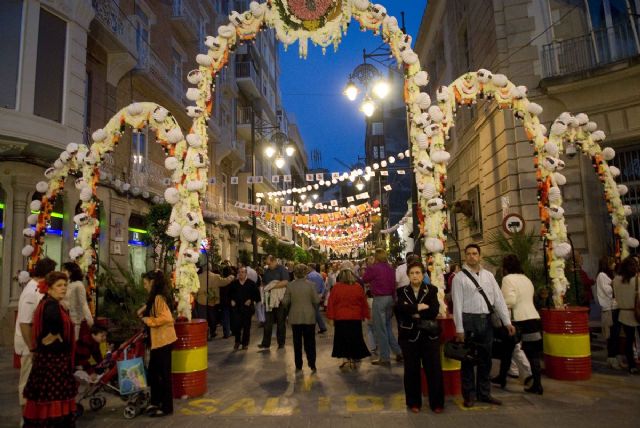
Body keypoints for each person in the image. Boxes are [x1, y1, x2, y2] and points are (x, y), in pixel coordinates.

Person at [452, 244, 515, 407]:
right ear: (465, 256)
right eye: (469, 254)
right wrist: (459, 328)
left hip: (486, 321)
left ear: (480, 256)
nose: (472, 256)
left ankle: (484, 393)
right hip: (468, 321)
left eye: (475, 253)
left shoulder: (488, 276)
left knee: (486, 360)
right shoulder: (459, 278)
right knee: (467, 360)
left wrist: (507, 322)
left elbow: (499, 299)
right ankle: (469, 395)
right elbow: (457, 305)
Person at [22, 271, 77, 427]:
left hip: (49, 361)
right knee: (53, 400)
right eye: (59, 285)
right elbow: (53, 332)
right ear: (49, 288)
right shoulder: (51, 306)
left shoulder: (48, 303)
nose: (63, 288)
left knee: (45, 399)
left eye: (65, 285)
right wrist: (57, 339)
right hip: (54, 362)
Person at [395, 261, 444, 413]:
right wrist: (417, 307)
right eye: (412, 273)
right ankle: (413, 402)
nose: (415, 276)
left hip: (429, 336)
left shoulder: (431, 290)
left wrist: (413, 313)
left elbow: (433, 311)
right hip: (409, 337)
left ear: (423, 275)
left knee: (434, 370)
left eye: (418, 273)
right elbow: (399, 310)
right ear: (408, 276)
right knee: (411, 371)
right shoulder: (402, 291)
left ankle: (436, 403)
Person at [493, 255, 544, 394]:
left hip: (518, 320)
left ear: (505, 267)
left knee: (507, 350)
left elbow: (510, 300)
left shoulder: (507, 279)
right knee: (533, 354)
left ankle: (502, 378)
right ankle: (537, 384)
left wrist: (500, 304)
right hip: (533, 317)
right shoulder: (526, 278)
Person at [15, 257, 56, 410]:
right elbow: (25, 323)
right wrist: (32, 348)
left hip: (37, 344)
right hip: (29, 346)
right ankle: (25, 417)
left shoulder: (38, 288)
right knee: (27, 382)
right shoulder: (31, 292)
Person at [139, 270, 177, 417]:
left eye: (145, 283)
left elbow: (166, 318)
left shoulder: (159, 298)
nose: (144, 286)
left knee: (163, 374)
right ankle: (156, 401)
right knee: (154, 373)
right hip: (158, 341)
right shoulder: (155, 297)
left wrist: (148, 321)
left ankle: (166, 407)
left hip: (163, 341)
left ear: (153, 282)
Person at [362, 248, 403, 366]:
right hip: (390, 298)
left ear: (376, 257)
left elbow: (364, 279)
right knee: (388, 327)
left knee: (380, 329)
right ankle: (398, 352)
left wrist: (369, 267)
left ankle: (385, 357)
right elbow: (393, 284)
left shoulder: (374, 268)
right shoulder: (391, 268)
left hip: (379, 299)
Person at [327, 268, 371, 369]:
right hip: (355, 317)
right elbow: (363, 302)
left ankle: (346, 359)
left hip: (340, 317)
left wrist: (330, 317)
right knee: (355, 337)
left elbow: (331, 303)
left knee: (342, 339)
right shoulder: (358, 287)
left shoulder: (336, 288)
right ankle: (355, 357)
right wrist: (366, 315)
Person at [282, 264, 320, 372]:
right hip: (309, 316)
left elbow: (285, 302)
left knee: (297, 342)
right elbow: (316, 301)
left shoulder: (290, 285)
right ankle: (312, 364)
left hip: (295, 317)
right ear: (306, 273)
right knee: (310, 342)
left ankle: (298, 365)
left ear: (295, 273)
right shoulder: (311, 285)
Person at [612, 256, 640, 374]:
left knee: (629, 340)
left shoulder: (616, 280)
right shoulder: (637, 280)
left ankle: (632, 365)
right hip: (637, 312)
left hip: (624, 312)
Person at [596, 256, 624, 370]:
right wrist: (614, 284)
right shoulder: (602, 276)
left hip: (615, 307)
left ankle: (616, 357)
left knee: (616, 334)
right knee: (612, 335)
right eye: (611, 262)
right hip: (609, 308)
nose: (614, 264)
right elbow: (607, 291)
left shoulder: (611, 275)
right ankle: (612, 358)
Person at [195, 266, 234, 340]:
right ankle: (212, 331)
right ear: (210, 269)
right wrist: (231, 277)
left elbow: (195, 289)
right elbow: (224, 282)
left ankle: (204, 333)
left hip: (201, 300)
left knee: (203, 318)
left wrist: (195, 297)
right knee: (212, 317)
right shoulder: (215, 276)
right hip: (211, 300)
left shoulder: (198, 277)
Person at [259, 255, 289, 349]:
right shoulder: (267, 270)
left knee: (280, 322)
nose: (268, 265)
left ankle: (281, 343)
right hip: (269, 300)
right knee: (267, 322)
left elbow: (286, 282)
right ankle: (265, 343)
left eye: (269, 263)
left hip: (279, 300)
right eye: (267, 264)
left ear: (274, 261)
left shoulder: (282, 269)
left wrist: (272, 286)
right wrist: (264, 289)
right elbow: (263, 283)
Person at [229, 266, 261, 350]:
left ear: (246, 273)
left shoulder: (251, 283)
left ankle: (245, 343)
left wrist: (251, 299)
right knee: (236, 326)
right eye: (239, 272)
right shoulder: (234, 284)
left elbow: (257, 296)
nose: (240, 274)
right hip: (237, 308)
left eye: (242, 272)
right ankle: (237, 341)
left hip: (247, 309)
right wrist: (231, 300)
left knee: (247, 326)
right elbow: (229, 294)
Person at [61, 261, 93, 340]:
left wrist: (90, 322)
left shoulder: (78, 285)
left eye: (64, 270)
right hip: (65, 320)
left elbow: (83, 304)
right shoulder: (67, 283)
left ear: (70, 272)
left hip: (75, 321)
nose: (62, 272)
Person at [307, 263, 328, 334]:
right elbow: (324, 287)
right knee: (315, 311)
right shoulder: (319, 275)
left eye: (308, 267)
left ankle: (321, 327)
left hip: (312, 295)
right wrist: (321, 294)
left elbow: (308, 287)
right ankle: (322, 327)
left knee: (314, 312)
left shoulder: (309, 276)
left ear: (310, 267)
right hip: (318, 295)